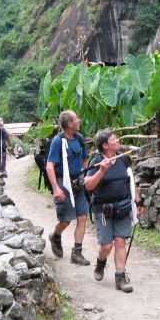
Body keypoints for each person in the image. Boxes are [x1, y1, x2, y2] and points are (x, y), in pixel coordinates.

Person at [84, 129, 143, 293]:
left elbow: (130, 181)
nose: (117, 140)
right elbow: (88, 185)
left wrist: (138, 200)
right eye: (114, 138)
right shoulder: (96, 161)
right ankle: (100, 262)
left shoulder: (122, 158)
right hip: (103, 209)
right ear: (105, 145)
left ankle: (120, 277)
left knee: (120, 242)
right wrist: (102, 171)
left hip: (122, 207)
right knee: (106, 246)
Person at [45, 110, 90, 266]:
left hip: (78, 183)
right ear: (70, 123)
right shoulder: (58, 141)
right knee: (65, 220)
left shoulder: (79, 138)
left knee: (82, 217)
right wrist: (56, 188)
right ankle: (55, 236)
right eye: (76, 119)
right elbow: (50, 165)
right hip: (63, 183)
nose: (79, 120)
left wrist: (84, 175)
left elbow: (85, 158)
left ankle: (76, 253)